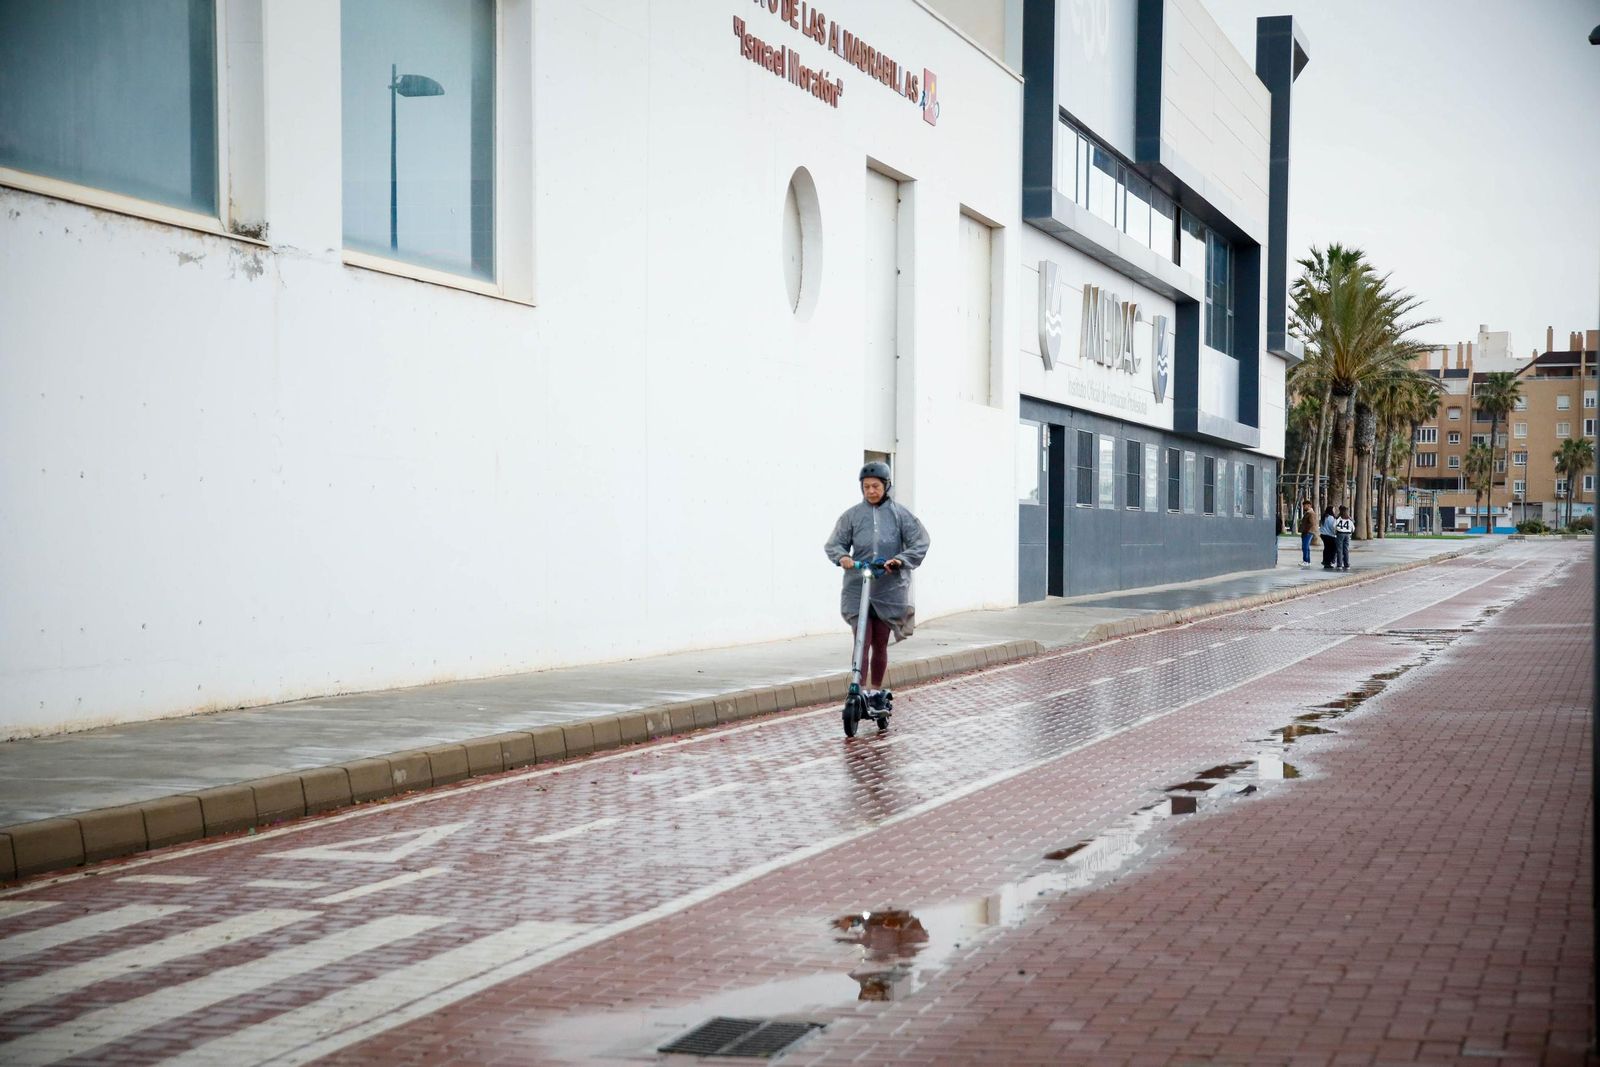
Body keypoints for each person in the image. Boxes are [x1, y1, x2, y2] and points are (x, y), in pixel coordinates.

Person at [824, 461, 931, 710]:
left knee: (880, 641)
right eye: (866, 487)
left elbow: (920, 542)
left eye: (875, 486)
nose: (871, 491)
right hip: (858, 586)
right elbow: (834, 544)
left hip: (888, 587)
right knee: (861, 639)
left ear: (886, 486)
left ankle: (874, 691)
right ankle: (858, 689)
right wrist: (843, 557)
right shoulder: (851, 516)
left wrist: (899, 560)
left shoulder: (901, 515)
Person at [1334, 506, 1354, 571]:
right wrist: (1350, 532)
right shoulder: (1349, 519)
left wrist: (1335, 532)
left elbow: (1334, 526)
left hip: (1340, 533)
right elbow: (1353, 528)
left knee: (1339, 550)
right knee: (1346, 549)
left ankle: (1339, 565)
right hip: (1347, 534)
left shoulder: (1338, 518)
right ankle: (1346, 565)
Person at [1297, 500, 1315, 568]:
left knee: (1305, 547)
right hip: (1307, 532)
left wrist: (1306, 531)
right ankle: (1307, 561)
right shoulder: (1308, 513)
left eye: (1304, 506)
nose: (1303, 507)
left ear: (1309, 505)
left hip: (1308, 532)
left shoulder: (1311, 513)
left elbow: (1311, 523)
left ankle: (1306, 561)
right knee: (1306, 547)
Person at [1319, 505, 1338, 570]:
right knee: (1333, 549)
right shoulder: (1331, 518)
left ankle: (1325, 561)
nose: (1334, 511)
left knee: (1326, 548)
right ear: (1331, 510)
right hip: (1330, 535)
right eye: (1334, 510)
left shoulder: (1324, 517)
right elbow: (1332, 527)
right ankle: (1330, 561)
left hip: (1323, 535)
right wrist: (1335, 533)